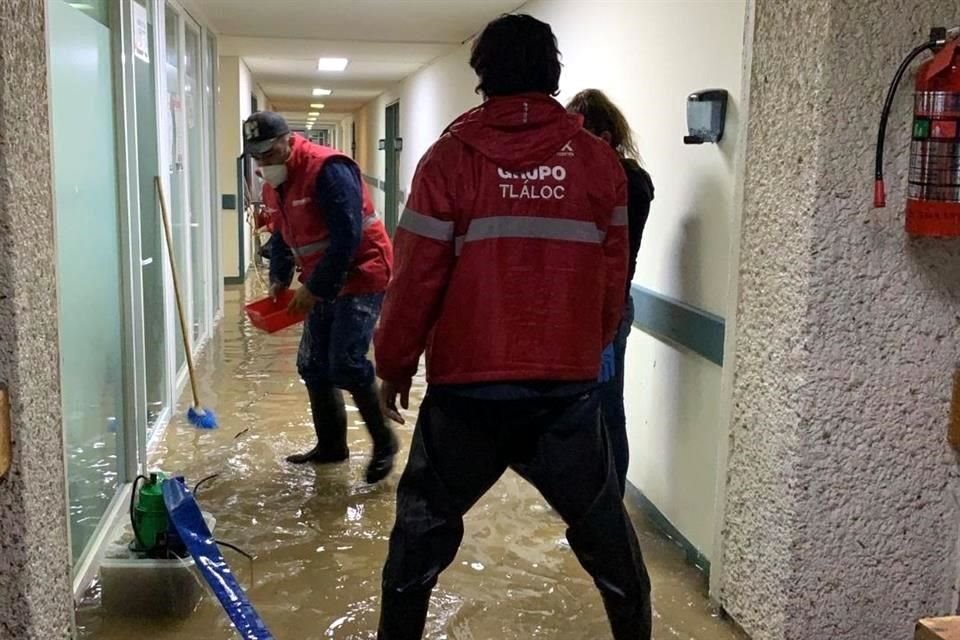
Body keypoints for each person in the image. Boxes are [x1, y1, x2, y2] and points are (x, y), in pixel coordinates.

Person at [372, 14, 652, 640]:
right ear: (552, 73)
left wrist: (393, 363)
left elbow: (415, 277)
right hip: (564, 398)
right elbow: (613, 279)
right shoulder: (598, 163)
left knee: (415, 553)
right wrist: (588, 351)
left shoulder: (450, 158)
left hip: (468, 395)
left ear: (482, 76)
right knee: (613, 549)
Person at [242, 111, 398, 484]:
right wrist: (280, 277)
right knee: (313, 366)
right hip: (323, 276)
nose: (264, 162)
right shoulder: (273, 182)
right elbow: (281, 233)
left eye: (269, 152)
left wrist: (314, 290)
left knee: (344, 363)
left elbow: (347, 237)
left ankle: (384, 443)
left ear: (288, 139)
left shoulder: (328, 169)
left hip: (364, 271)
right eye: (257, 156)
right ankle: (331, 448)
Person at [566, 89, 655, 497]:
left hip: (610, 309)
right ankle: (585, 499)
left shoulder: (629, 182)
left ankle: (610, 502)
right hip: (579, 309)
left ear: (605, 136)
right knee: (580, 408)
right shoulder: (594, 175)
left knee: (606, 408)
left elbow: (613, 252)